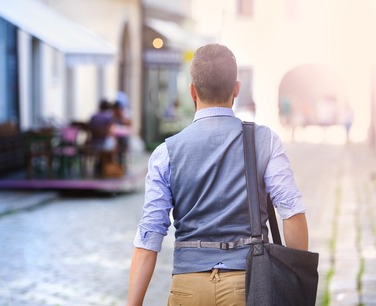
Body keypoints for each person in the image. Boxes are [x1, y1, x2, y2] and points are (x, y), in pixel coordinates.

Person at [127, 44, 309, 306]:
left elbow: (149, 236)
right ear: (236, 89)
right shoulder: (264, 141)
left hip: (187, 289)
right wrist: (295, 285)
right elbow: (291, 212)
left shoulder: (166, 153)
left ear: (192, 91)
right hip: (248, 286)